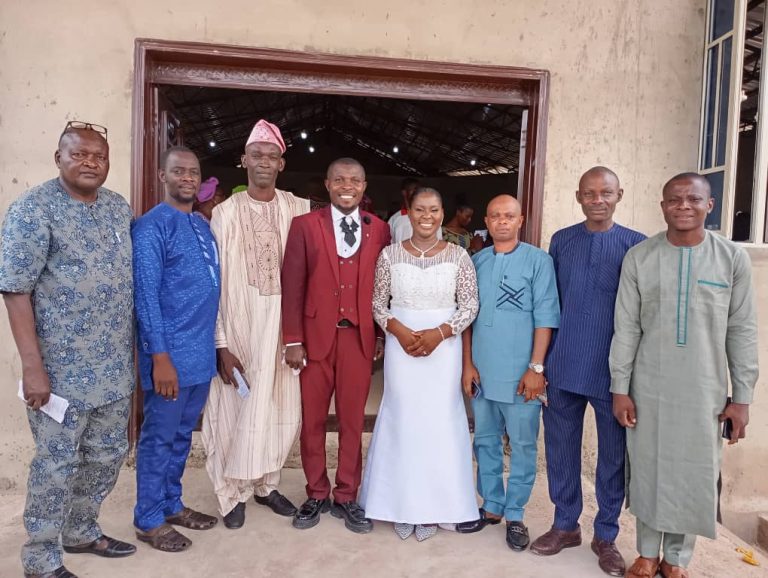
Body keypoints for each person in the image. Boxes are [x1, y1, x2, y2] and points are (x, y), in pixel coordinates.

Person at [0, 122, 136, 578]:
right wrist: (32, 368)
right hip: (59, 373)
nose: (90, 162)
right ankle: (40, 557)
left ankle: (80, 530)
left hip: (114, 368)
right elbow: (15, 290)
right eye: (79, 154)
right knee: (56, 464)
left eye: (99, 156)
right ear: (58, 158)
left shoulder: (117, 208)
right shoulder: (33, 210)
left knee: (107, 454)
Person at [610, 173, 759, 578]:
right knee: (649, 467)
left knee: (693, 471)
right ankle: (646, 553)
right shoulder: (640, 257)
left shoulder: (731, 259)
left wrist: (741, 397)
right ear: (663, 206)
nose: (683, 206)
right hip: (648, 387)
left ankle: (676, 558)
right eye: (674, 199)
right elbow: (627, 328)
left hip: (705, 389)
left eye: (693, 199)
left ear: (710, 205)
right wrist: (620, 387)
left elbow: (742, 330)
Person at [529, 167, 646, 576]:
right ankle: (565, 525)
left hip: (613, 371)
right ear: (578, 196)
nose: (598, 200)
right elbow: (549, 303)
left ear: (619, 195)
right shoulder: (561, 240)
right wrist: (540, 363)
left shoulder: (636, 245)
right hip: (563, 363)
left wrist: (630, 375)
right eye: (590, 193)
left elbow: (641, 313)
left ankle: (606, 535)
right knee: (561, 449)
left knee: (613, 455)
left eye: (606, 193)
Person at [201, 119, 310, 529]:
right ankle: (232, 494)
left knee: (281, 408)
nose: (264, 161)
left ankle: (267, 484)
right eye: (256, 155)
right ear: (243, 160)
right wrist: (220, 343)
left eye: (272, 156)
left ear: (281, 163)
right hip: (239, 329)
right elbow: (213, 283)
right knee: (233, 408)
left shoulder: (299, 209)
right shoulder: (224, 214)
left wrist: (300, 335)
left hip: (284, 331)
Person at [360, 186, 479, 542]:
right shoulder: (390, 255)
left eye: (434, 210)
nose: (427, 216)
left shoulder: (459, 256)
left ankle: (433, 507)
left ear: (442, 213)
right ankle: (400, 505)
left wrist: (440, 333)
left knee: (439, 421)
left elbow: (469, 305)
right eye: (420, 210)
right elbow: (377, 303)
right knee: (403, 419)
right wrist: (398, 330)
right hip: (402, 348)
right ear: (408, 213)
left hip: (443, 349)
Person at [282, 158, 390, 533]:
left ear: (364, 186)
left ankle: (346, 495)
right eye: (340, 180)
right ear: (327, 185)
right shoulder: (305, 225)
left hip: (357, 338)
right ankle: (316, 492)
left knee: (352, 420)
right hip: (314, 339)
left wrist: (379, 334)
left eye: (355, 180)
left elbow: (384, 287)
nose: (348, 186)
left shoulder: (379, 229)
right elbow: (292, 284)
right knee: (312, 420)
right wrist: (292, 339)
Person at [457, 194, 560, 552]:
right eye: (495, 216)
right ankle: (492, 506)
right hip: (482, 372)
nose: (502, 221)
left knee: (522, 445)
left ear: (520, 220)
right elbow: (466, 318)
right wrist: (467, 364)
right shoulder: (476, 261)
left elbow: (545, 317)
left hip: (521, 375)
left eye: (509, 216)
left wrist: (536, 368)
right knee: (485, 440)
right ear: (486, 222)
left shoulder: (539, 261)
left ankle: (515, 513)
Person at [132, 146, 221, 552]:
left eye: (193, 172)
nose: (187, 178)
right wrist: (159, 357)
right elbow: (146, 296)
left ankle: (171, 503)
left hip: (200, 354)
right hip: (169, 356)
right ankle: (149, 518)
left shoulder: (201, 224)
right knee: (159, 437)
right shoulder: (152, 226)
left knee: (183, 435)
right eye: (179, 171)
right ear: (162, 176)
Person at [387, 177, 441, 243]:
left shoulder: (431, 218)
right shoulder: (395, 219)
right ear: (404, 192)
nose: (418, 193)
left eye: (420, 190)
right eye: (415, 189)